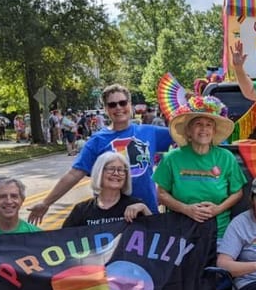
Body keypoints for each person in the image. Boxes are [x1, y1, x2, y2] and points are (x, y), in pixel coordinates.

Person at [152, 94, 246, 290]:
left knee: (209, 286)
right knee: (184, 288)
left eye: (209, 125)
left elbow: (237, 192)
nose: (204, 129)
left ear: (215, 131)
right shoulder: (173, 159)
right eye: (198, 125)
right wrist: (186, 209)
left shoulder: (225, 158)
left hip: (219, 231)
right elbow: (161, 193)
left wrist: (217, 210)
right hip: (181, 231)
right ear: (189, 131)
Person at [27, 84, 172, 224]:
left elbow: (187, 136)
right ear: (106, 109)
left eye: (122, 102)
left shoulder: (150, 132)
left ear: (130, 104)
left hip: (146, 213)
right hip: (111, 220)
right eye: (112, 105)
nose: (118, 108)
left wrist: (193, 102)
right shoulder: (97, 141)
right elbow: (74, 174)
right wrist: (46, 203)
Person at [62, 152, 151, 227]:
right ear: (99, 172)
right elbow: (61, 240)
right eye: (111, 169)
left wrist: (144, 209)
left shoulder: (136, 206)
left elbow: (156, 236)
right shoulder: (81, 210)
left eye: (121, 170)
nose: (116, 173)